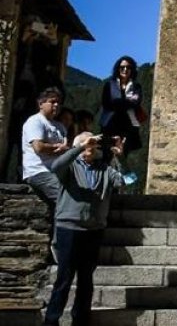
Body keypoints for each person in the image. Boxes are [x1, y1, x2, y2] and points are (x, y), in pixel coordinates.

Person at [43, 132, 127, 326]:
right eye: (87, 142)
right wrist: (79, 147)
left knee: (86, 280)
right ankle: (51, 320)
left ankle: (80, 320)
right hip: (69, 228)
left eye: (93, 143)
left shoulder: (103, 168)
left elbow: (123, 182)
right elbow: (55, 166)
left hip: (93, 230)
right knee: (64, 278)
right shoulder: (70, 167)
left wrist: (116, 157)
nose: (91, 145)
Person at [21, 87, 69, 204]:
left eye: (59, 103)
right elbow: (38, 147)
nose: (56, 105)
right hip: (38, 171)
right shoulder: (35, 121)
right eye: (52, 102)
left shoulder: (60, 126)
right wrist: (57, 148)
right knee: (66, 199)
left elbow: (66, 147)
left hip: (57, 171)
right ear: (41, 103)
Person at [99, 56, 146, 156]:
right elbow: (107, 104)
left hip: (129, 127)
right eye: (122, 67)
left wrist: (118, 102)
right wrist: (127, 102)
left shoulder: (136, 86)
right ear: (118, 69)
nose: (125, 69)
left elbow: (136, 103)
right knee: (107, 153)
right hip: (110, 125)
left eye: (128, 67)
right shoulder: (109, 85)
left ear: (132, 69)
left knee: (125, 156)